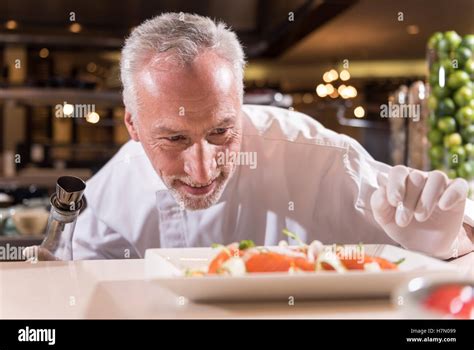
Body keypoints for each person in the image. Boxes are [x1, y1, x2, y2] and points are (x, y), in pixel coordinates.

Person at [71, 13, 474, 260]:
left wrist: (444, 243)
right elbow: (77, 291)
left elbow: (460, 235)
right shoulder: (108, 202)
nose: (202, 169)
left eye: (221, 131)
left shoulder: (320, 160)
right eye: (175, 140)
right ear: (134, 128)